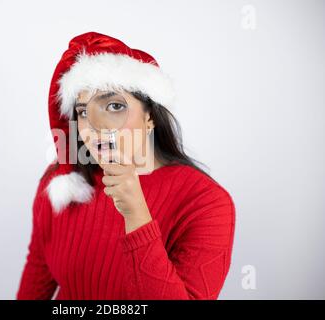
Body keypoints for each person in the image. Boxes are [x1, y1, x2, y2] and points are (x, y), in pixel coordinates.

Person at [16, 32, 236, 300]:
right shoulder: (63, 182)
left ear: (150, 117)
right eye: (84, 112)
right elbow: (36, 278)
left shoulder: (207, 203)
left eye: (115, 106)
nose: (97, 127)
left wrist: (137, 216)